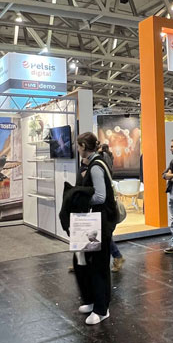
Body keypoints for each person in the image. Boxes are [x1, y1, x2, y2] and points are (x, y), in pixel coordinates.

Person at [74, 132, 115, 324]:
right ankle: (92, 301)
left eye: (78, 146)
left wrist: (80, 199)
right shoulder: (93, 164)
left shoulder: (96, 167)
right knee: (88, 263)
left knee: (99, 265)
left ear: (83, 146)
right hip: (95, 222)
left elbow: (100, 197)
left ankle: (101, 309)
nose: (77, 149)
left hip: (100, 223)